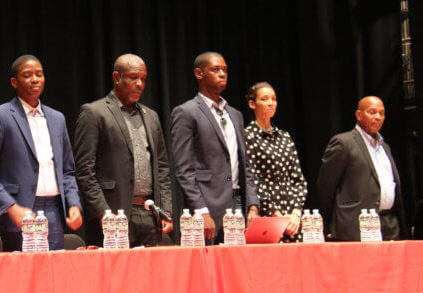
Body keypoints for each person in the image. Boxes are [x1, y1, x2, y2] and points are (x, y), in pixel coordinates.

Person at [0, 55, 82, 251]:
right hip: (19, 211)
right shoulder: (0, 116)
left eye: (39, 74)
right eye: (27, 75)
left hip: (53, 210)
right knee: (23, 279)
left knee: (53, 276)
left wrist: (74, 204)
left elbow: (68, 171)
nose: (35, 79)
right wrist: (11, 207)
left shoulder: (57, 118)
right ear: (14, 82)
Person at [73, 54, 173, 247]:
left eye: (143, 79)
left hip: (150, 214)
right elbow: (85, 171)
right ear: (116, 77)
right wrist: (103, 212)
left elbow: (162, 168)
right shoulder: (94, 113)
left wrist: (166, 210)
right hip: (113, 214)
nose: (140, 84)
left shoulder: (151, 116)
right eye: (134, 77)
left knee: (151, 275)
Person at [170, 52, 259, 244]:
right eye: (215, 69)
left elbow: (246, 164)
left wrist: (252, 204)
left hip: (237, 202)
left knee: (236, 268)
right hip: (208, 205)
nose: (222, 74)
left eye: (225, 70)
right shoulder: (187, 112)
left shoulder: (235, 115)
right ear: (199, 74)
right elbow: (184, 169)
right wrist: (200, 210)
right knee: (209, 269)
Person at [318, 96, 407, 241]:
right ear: (359, 115)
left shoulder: (385, 147)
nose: (378, 117)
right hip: (356, 226)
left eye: (381, 113)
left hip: (389, 224)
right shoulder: (343, 143)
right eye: (372, 112)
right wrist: (328, 224)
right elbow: (326, 187)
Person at [244, 82, 307, 241]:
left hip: (292, 217)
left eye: (273, 99)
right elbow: (253, 180)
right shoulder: (248, 136)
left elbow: (299, 179)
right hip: (267, 213)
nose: (270, 103)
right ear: (252, 104)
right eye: (264, 99)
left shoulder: (284, 136)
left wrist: (295, 213)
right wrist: (277, 215)